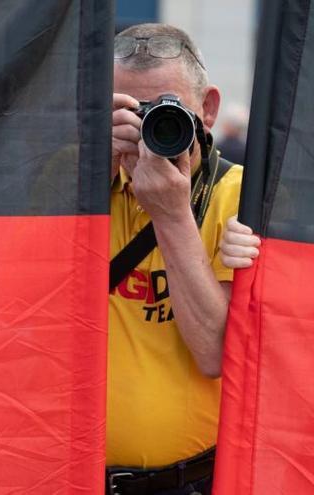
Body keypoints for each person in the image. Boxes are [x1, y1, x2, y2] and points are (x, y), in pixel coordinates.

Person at [107, 23, 243, 495]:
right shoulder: (69, 182)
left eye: (164, 111)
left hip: (188, 483)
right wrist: (86, 178)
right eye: (131, 111)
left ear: (207, 110)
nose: (149, 131)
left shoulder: (241, 196)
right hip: (69, 472)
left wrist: (171, 214)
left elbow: (214, 353)